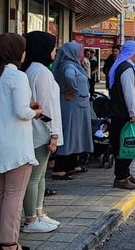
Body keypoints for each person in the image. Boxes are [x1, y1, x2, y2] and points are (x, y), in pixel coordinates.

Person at [0, 33, 42, 250]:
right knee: (14, 195)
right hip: (16, 147)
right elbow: (22, 111)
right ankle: (10, 244)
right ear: (15, 52)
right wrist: (37, 111)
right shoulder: (18, 77)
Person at [20, 32, 63, 233]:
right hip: (42, 131)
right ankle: (31, 219)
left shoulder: (28, 69)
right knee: (35, 177)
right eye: (53, 47)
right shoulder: (42, 72)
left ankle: (38, 213)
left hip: (33, 129)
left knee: (39, 176)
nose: (55, 51)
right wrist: (54, 133)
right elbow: (47, 106)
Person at [108, 41, 135, 190]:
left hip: (122, 112)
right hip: (126, 114)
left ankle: (126, 174)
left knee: (127, 143)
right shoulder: (127, 68)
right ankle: (121, 178)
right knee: (127, 144)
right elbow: (129, 93)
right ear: (133, 52)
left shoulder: (124, 66)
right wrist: (134, 114)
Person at [52, 42, 93, 179]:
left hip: (77, 105)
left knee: (76, 134)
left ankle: (71, 164)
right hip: (72, 105)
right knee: (69, 133)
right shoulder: (69, 65)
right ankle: (60, 168)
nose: (81, 53)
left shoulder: (74, 64)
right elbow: (69, 76)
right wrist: (73, 89)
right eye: (79, 51)